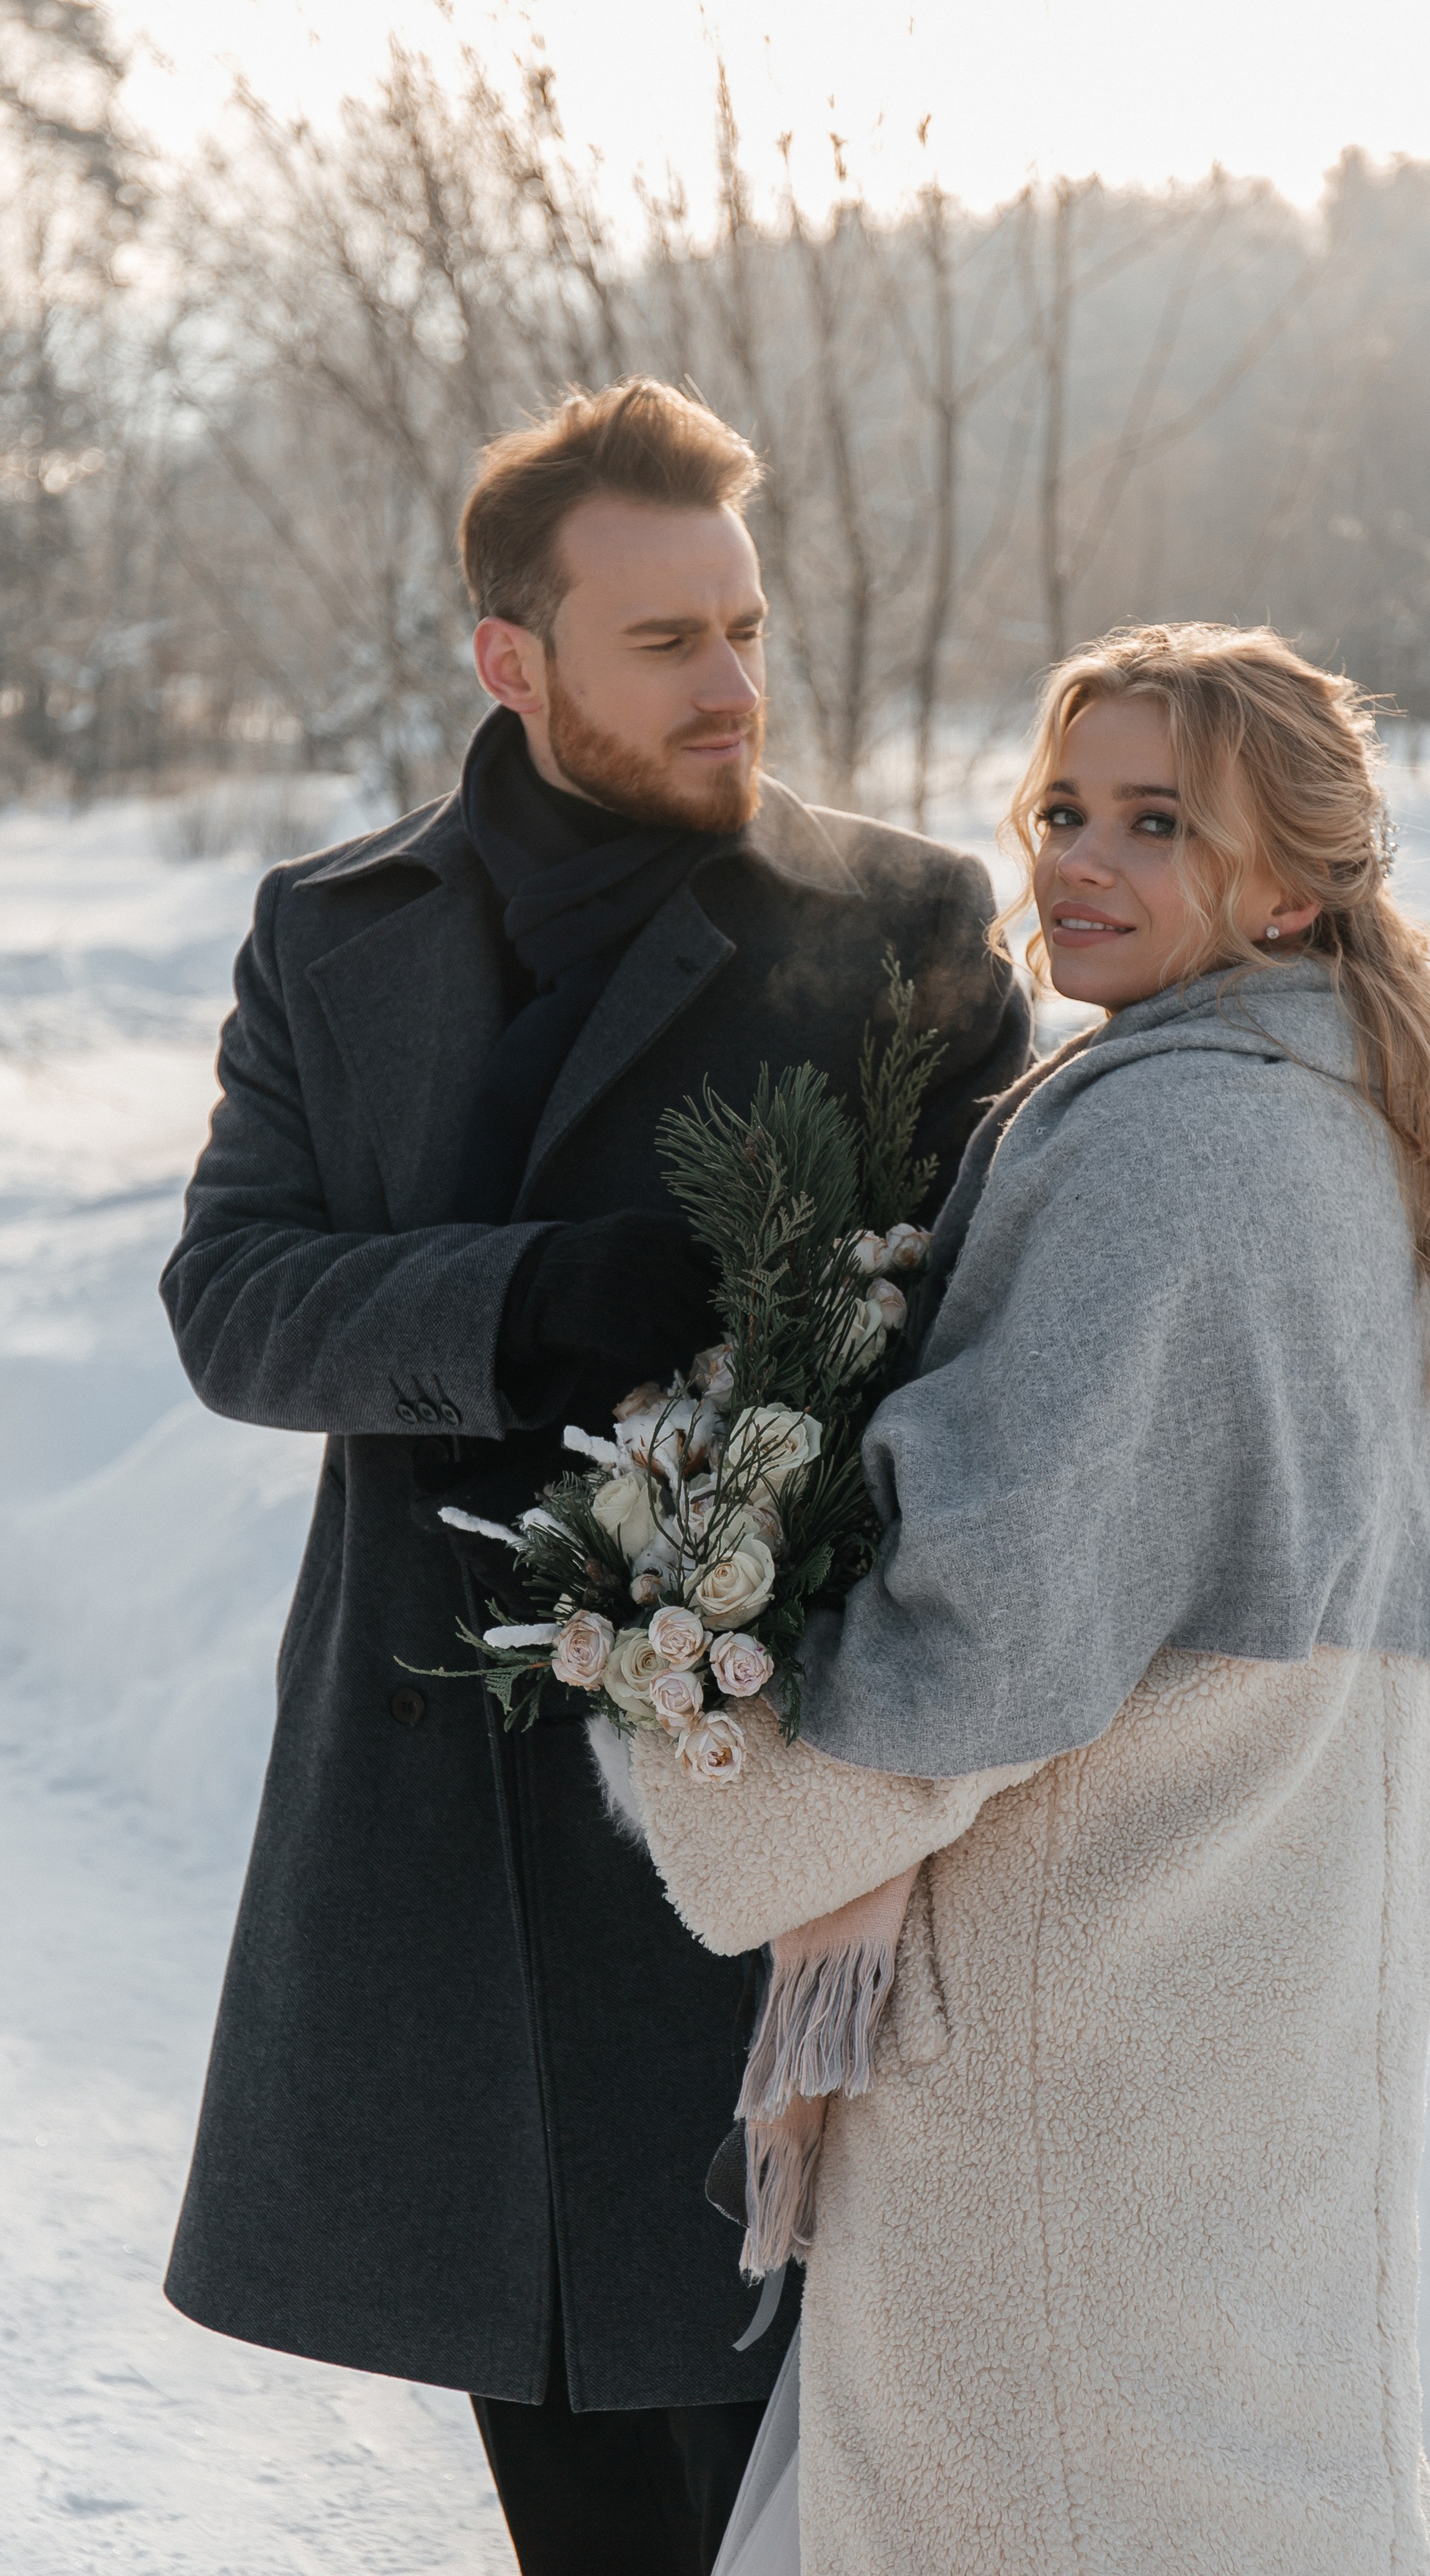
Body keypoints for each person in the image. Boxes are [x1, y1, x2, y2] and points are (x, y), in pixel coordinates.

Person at [156, 377, 1031, 2576]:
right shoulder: (334, 933)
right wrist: (530, 1296)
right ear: (512, 660)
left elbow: (1010, 1347)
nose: (732, 682)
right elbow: (234, 1304)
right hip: (435, 1818)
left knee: (798, 2486)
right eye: (665, 643)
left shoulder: (902, 921)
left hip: (763, 1828)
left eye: (745, 627)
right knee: (561, 2451)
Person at [631, 622, 1430, 2575]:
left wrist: (690, 1718)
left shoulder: (1173, 1143)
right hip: (1241, 2022)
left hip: (1082, 2043)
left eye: (1157, 823)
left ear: (1291, 885)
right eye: (1063, 809)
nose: (1080, 863)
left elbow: (988, 1617)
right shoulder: (1317, 1102)